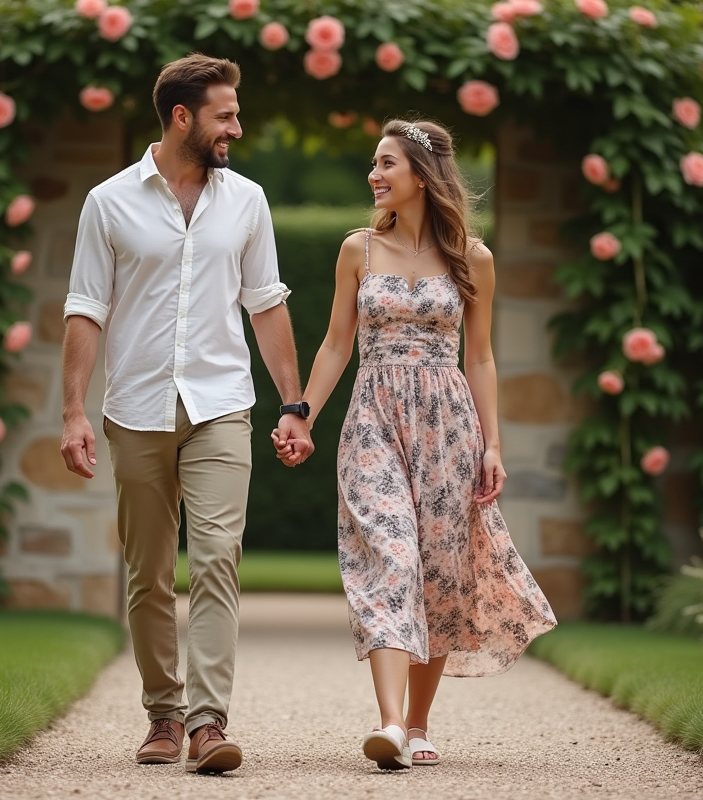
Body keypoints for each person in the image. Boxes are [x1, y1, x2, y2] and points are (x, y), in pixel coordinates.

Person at [275, 118, 557, 770]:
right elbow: (336, 343)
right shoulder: (358, 250)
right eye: (374, 164)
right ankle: (392, 724)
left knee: (437, 572)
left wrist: (493, 444)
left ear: (421, 175)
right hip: (373, 419)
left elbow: (480, 358)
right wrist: (301, 415)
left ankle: (420, 722)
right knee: (394, 557)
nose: (374, 175)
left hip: (447, 426)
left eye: (385, 164)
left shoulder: (472, 258)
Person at [60, 53, 314, 775]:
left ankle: (208, 721)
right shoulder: (108, 202)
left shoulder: (249, 202)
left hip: (222, 405)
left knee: (217, 557)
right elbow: (86, 307)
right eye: (225, 114)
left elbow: (266, 305)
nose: (238, 125)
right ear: (182, 117)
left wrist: (293, 405)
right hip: (135, 406)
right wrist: (74, 412)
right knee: (148, 573)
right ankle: (163, 713)